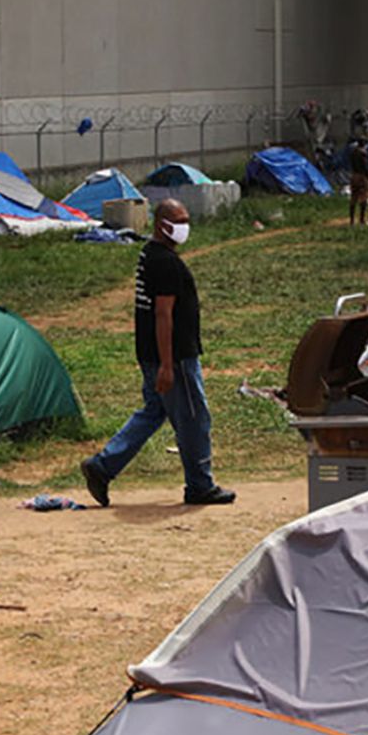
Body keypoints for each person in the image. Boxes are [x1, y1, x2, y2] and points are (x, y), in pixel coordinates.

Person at [81, 200, 235, 508]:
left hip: (153, 352)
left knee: (154, 411)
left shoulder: (149, 255)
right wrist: (167, 365)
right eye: (179, 220)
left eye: (186, 219)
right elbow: (163, 315)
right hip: (174, 356)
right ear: (161, 224)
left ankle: (103, 466)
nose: (184, 226)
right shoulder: (165, 262)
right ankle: (200, 485)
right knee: (194, 418)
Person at [348, 138, 368, 226]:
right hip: (362, 177)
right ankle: (362, 220)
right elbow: (365, 167)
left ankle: (352, 221)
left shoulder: (352, 153)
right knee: (364, 198)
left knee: (353, 198)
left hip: (354, 176)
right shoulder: (363, 153)